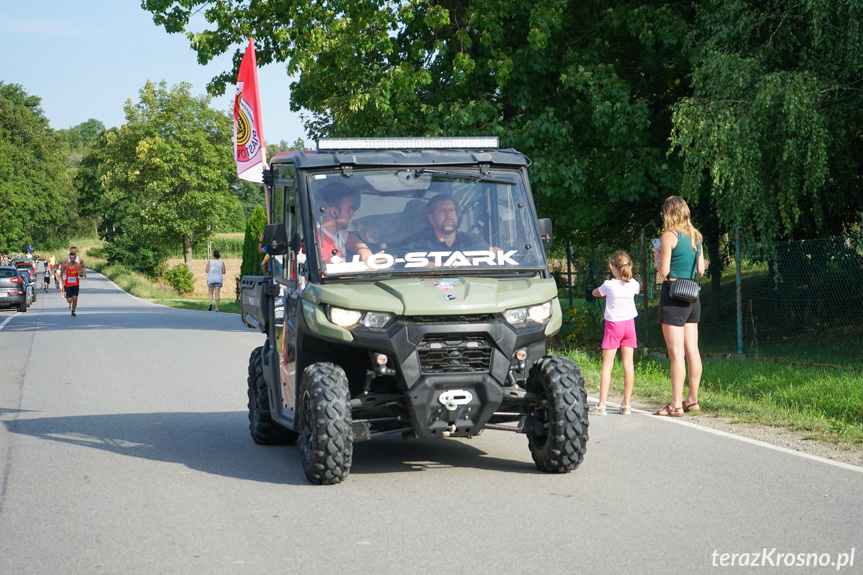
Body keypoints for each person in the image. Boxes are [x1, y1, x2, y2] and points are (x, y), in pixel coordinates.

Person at [652, 196, 705, 417]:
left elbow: (663, 271)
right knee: (693, 351)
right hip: (692, 297)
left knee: (676, 354)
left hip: (673, 296)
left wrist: (657, 258)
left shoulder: (669, 236)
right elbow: (701, 271)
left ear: (669, 213)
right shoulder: (696, 238)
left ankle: (675, 405)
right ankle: (692, 400)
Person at [589, 250, 640, 416]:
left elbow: (596, 293)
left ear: (611, 267)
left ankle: (602, 404)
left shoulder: (608, 285)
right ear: (629, 266)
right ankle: (626, 404)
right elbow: (636, 288)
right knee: (628, 364)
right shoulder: (633, 284)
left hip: (613, 326)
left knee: (607, 364)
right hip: (629, 325)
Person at [316, 183, 373, 265]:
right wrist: (367, 267)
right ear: (334, 212)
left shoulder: (337, 232)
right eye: (349, 208)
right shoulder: (318, 242)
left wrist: (363, 249)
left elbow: (348, 237)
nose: (352, 213)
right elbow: (327, 276)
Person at [409, 193, 487, 252]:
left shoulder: (472, 240)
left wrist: (496, 254)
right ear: (431, 218)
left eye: (451, 210)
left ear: (457, 216)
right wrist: (448, 266)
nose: (448, 215)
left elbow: (489, 258)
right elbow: (417, 265)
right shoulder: (421, 244)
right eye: (442, 211)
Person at [60, 249, 85, 316]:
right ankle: (70, 304)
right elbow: (61, 272)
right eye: (71, 258)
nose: (72, 260)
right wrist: (62, 280)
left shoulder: (78, 265)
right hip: (68, 284)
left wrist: (81, 274)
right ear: (69, 258)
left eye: (73, 258)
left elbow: (80, 273)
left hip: (76, 284)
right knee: (69, 300)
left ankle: (73, 310)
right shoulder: (66, 265)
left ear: (75, 258)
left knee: (75, 298)